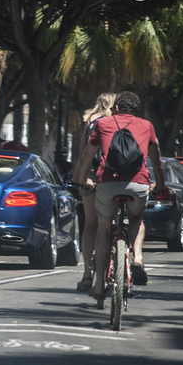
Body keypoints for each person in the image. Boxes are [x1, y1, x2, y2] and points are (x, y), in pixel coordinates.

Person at [74, 91, 165, 308]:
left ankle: (97, 285)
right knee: (136, 220)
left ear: (116, 108)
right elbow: (157, 158)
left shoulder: (103, 125)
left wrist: (81, 179)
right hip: (138, 184)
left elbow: (86, 155)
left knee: (104, 226)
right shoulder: (147, 126)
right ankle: (137, 259)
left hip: (107, 184)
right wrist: (159, 185)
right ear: (137, 111)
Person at [71, 93, 115, 292]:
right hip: (111, 178)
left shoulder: (90, 121)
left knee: (90, 224)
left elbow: (82, 152)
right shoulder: (116, 121)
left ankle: (87, 274)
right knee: (107, 225)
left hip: (89, 176)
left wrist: (79, 177)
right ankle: (110, 270)